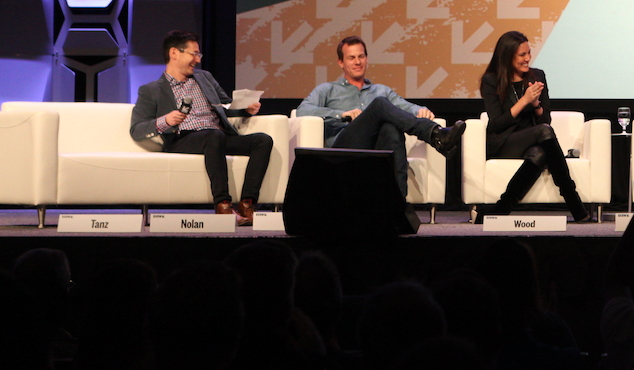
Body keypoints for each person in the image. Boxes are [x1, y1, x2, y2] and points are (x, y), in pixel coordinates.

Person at [297, 36, 464, 211]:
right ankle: (434, 135)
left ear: (366, 59)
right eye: (351, 58)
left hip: (376, 147)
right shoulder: (328, 89)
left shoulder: (381, 90)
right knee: (379, 104)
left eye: (361, 56)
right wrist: (341, 114)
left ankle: (398, 203)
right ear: (341, 62)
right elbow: (303, 110)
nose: (357, 62)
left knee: (391, 127)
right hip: (344, 147)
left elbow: (405, 107)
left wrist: (420, 110)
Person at [131, 30, 273, 226]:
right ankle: (223, 205)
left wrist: (245, 108)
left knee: (262, 140)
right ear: (174, 53)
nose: (197, 59)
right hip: (183, 139)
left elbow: (225, 107)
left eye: (199, 55)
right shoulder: (151, 90)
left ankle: (247, 204)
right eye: (193, 54)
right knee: (213, 136)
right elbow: (137, 129)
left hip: (217, 136)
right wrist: (166, 120)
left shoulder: (204, 78)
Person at [478, 30, 591, 222]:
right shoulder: (491, 81)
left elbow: (545, 119)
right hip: (504, 142)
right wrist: (524, 101)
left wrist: (536, 104)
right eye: (522, 55)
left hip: (531, 140)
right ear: (507, 56)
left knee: (539, 152)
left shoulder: (537, 76)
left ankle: (502, 209)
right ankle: (574, 201)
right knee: (543, 132)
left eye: (528, 53)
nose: (527, 58)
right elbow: (497, 124)